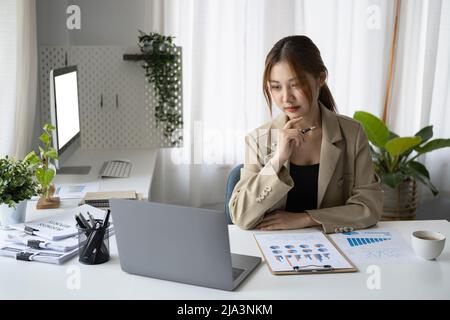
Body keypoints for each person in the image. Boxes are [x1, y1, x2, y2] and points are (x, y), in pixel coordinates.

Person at [229, 35, 383, 233]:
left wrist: (305, 218)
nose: (286, 97)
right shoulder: (258, 140)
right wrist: (277, 160)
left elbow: (369, 208)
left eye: (296, 84)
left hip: (336, 249)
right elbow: (241, 216)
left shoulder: (352, 134)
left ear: (320, 78)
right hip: (276, 249)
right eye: (276, 87)